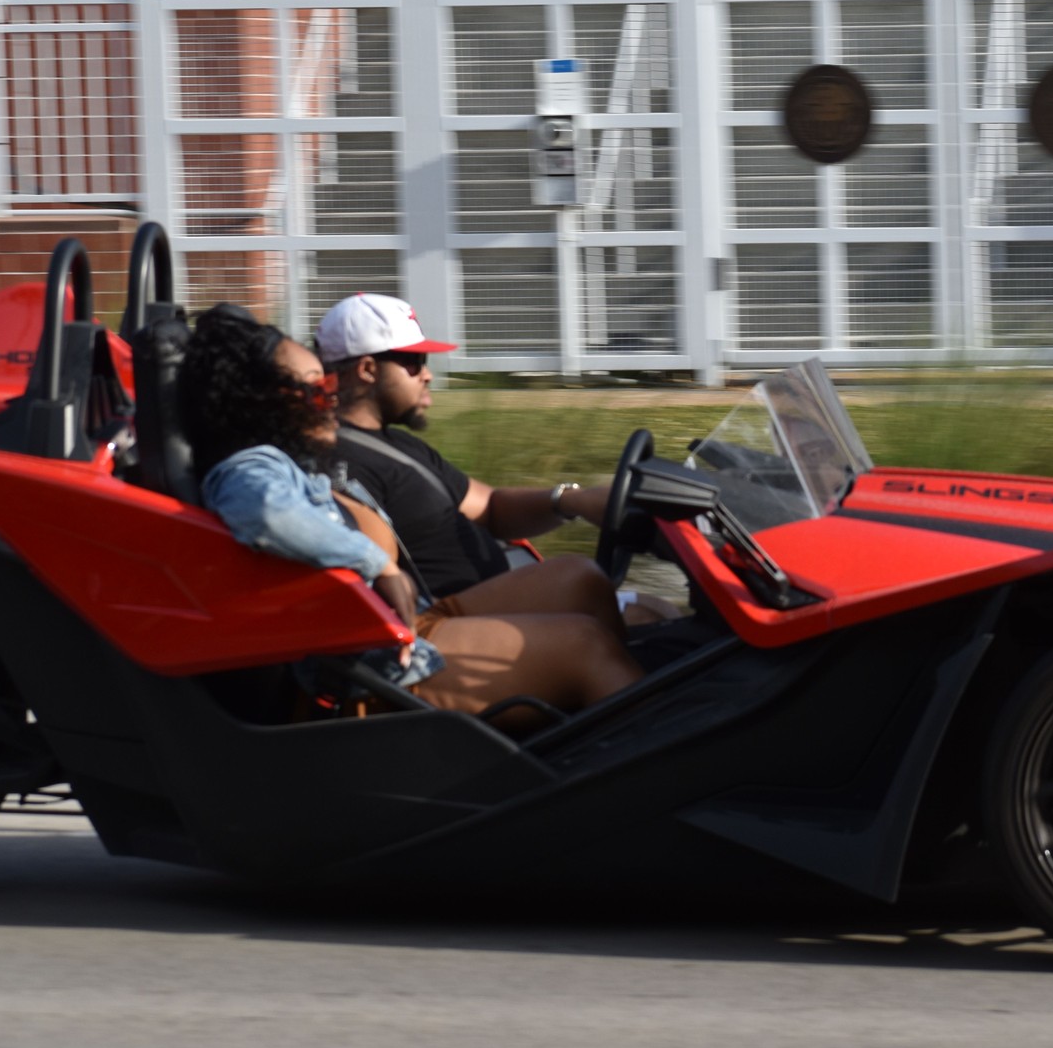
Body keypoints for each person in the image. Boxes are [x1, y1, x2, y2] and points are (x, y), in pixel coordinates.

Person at [179, 304, 642, 726]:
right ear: (264, 402)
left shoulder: (297, 462)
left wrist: (573, 499)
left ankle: (611, 718)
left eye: (328, 385)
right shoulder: (251, 470)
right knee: (585, 645)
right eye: (315, 388)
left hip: (404, 625)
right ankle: (650, 775)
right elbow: (267, 513)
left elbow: (490, 505)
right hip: (368, 665)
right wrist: (376, 562)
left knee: (581, 577)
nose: (330, 398)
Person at [313, 292, 679, 626]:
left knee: (666, 613)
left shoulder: (398, 444)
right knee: (641, 615)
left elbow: (489, 507)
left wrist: (573, 500)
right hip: (461, 628)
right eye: (414, 361)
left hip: (499, 598)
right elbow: (377, 591)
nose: (427, 374)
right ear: (366, 370)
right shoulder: (336, 465)